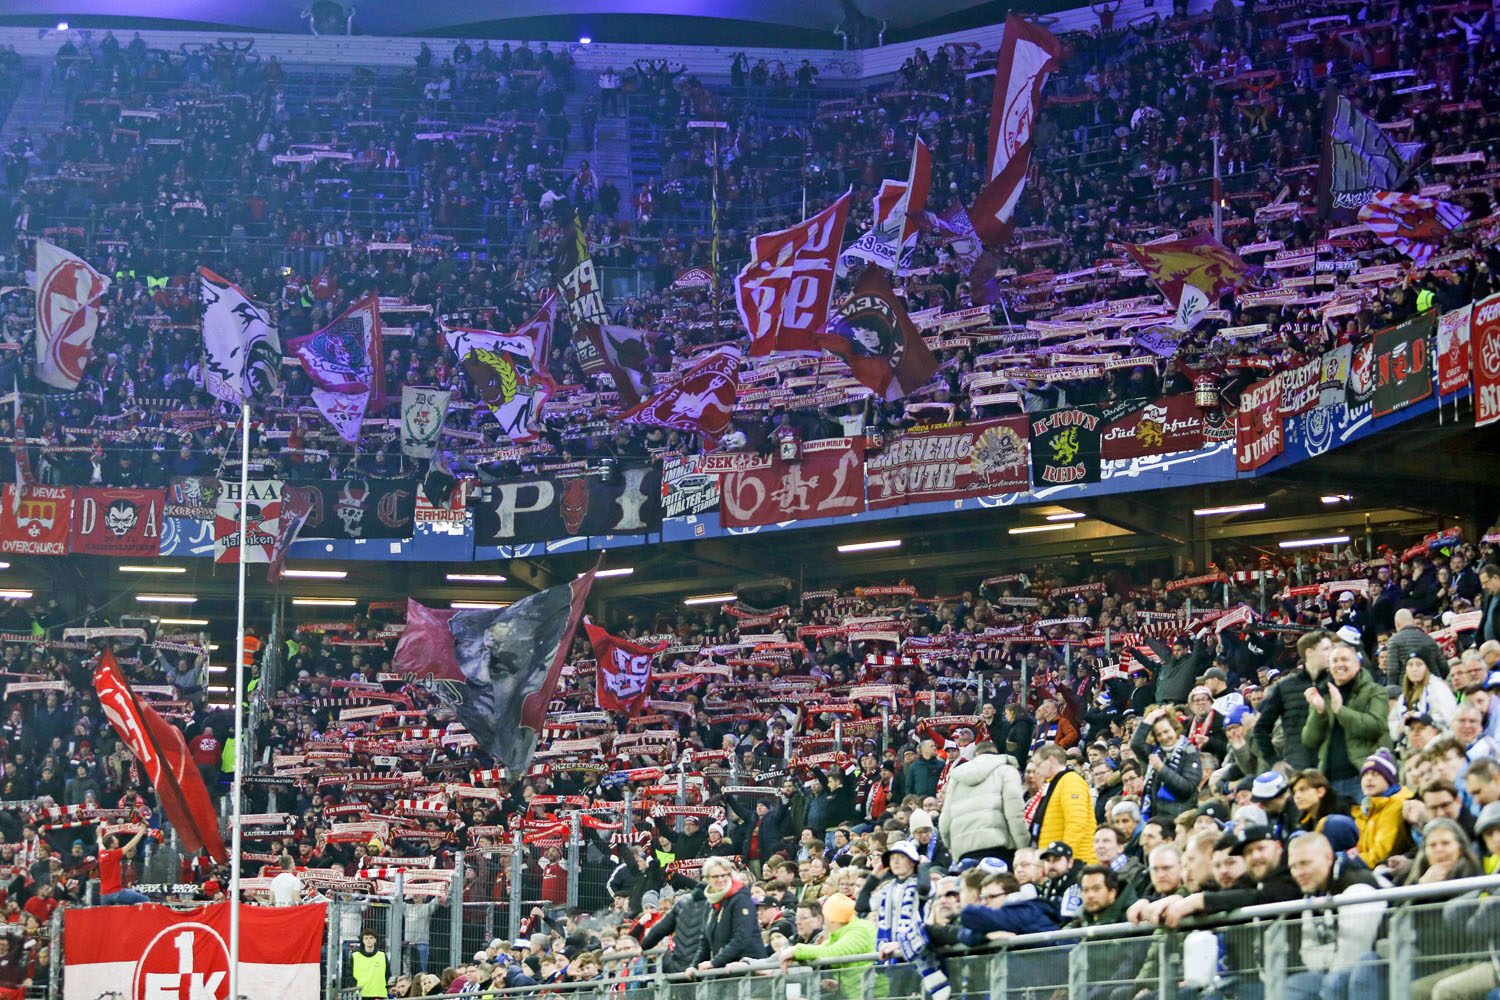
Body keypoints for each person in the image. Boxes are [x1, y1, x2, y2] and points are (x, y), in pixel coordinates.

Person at [1284, 833, 1385, 1000]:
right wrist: (1330, 956)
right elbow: (1307, 952)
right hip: (1334, 969)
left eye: (1305, 863)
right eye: (1293, 866)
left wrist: (1327, 957)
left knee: (1335, 981)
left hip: (1380, 967)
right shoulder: (1312, 890)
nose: (1298, 873)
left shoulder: (1357, 888)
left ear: (1329, 858)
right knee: (1293, 986)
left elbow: (1353, 955)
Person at [1304, 642, 1390, 801]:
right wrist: (1319, 712)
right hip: (1329, 779)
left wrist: (1340, 711)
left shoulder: (1374, 690)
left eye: (1344, 659)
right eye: (1335, 661)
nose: (1339, 664)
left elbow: (1377, 727)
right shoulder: (1323, 693)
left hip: (1363, 776)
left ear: (1357, 665)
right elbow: (1309, 739)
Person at [938, 742, 1027, 865]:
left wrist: (951, 845)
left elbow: (945, 819)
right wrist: (1023, 847)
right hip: (998, 848)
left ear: (976, 754)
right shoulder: (1007, 770)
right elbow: (1014, 812)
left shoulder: (957, 777)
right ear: (997, 754)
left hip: (964, 850)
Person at [1255, 630, 1333, 771]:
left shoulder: (1335, 683)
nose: (1331, 653)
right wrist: (1274, 761)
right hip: (1298, 766)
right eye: (1326, 649)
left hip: (1333, 764)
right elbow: (1261, 727)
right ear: (1309, 653)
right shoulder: (1286, 686)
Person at [778, 892, 874, 998]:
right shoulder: (840, 932)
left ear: (831, 919)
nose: (825, 924)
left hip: (874, 994)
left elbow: (833, 952)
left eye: (826, 920)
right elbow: (823, 948)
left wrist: (796, 951)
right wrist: (839, 986)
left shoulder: (859, 930)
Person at [691, 857, 765, 973]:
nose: (720, 879)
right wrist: (694, 966)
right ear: (707, 879)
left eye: (724, 875)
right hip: (724, 969)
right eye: (715, 876)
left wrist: (714, 962)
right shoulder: (710, 903)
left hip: (748, 969)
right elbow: (704, 942)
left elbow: (741, 937)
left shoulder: (741, 899)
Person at [1132, 706, 1203, 822]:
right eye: (1159, 734)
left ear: (1175, 729)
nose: (1164, 737)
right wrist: (1150, 718)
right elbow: (1136, 744)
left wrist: (1161, 768)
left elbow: (1187, 788)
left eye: (1166, 731)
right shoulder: (1156, 751)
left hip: (1180, 818)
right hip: (1157, 817)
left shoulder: (1190, 750)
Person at [1030, 744, 1097, 863]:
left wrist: (1064, 856)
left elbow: (1076, 823)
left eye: (1038, 764)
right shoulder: (1055, 783)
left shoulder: (1071, 782)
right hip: (1054, 858)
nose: (1036, 770)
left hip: (1074, 861)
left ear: (1051, 760)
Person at [1351, 750, 1413, 867]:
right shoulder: (1367, 807)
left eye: (1375, 774)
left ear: (1389, 779)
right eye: (1365, 774)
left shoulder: (1396, 805)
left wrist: (1348, 862)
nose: (1369, 778)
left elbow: (1380, 855)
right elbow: (1357, 848)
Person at [1388, 652, 1457, 740]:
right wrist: (1402, 726)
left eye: (1419, 664)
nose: (1414, 669)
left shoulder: (1439, 688)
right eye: (1410, 665)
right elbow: (1393, 724)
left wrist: (1419, 719)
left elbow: (1448, 720)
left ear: (1427, 667)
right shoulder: (1404, 696)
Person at [1385, 608, 1447, 684]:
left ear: (1397, 624)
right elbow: (1443, 666)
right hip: (1430, 685)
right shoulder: (1429, 639)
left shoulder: (1393, 641)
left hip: (1406, 687)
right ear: (1413, 622)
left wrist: (1392, 688)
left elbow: (1393, 671)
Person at [97, 824, 149, 905]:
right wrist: (142, 830)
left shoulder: (101, 854)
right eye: (115, 840)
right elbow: (132, 844)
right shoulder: (114, 854)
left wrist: (99, 835)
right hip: (116, 893)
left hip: (104, 894)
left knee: (107, 913)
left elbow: (100, 843)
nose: (117, 840)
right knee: (145, 899)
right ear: (111, 844)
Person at [350, 932, 390, 999]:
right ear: (363, 941)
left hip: (378, 993)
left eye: (371, 938)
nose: (368, 940)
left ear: (375, 940)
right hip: (360, 994)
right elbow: (349, 975)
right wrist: (355, 986)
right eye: (366, 938)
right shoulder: (355, 956)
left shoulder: (382, 956)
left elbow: (388, 974)